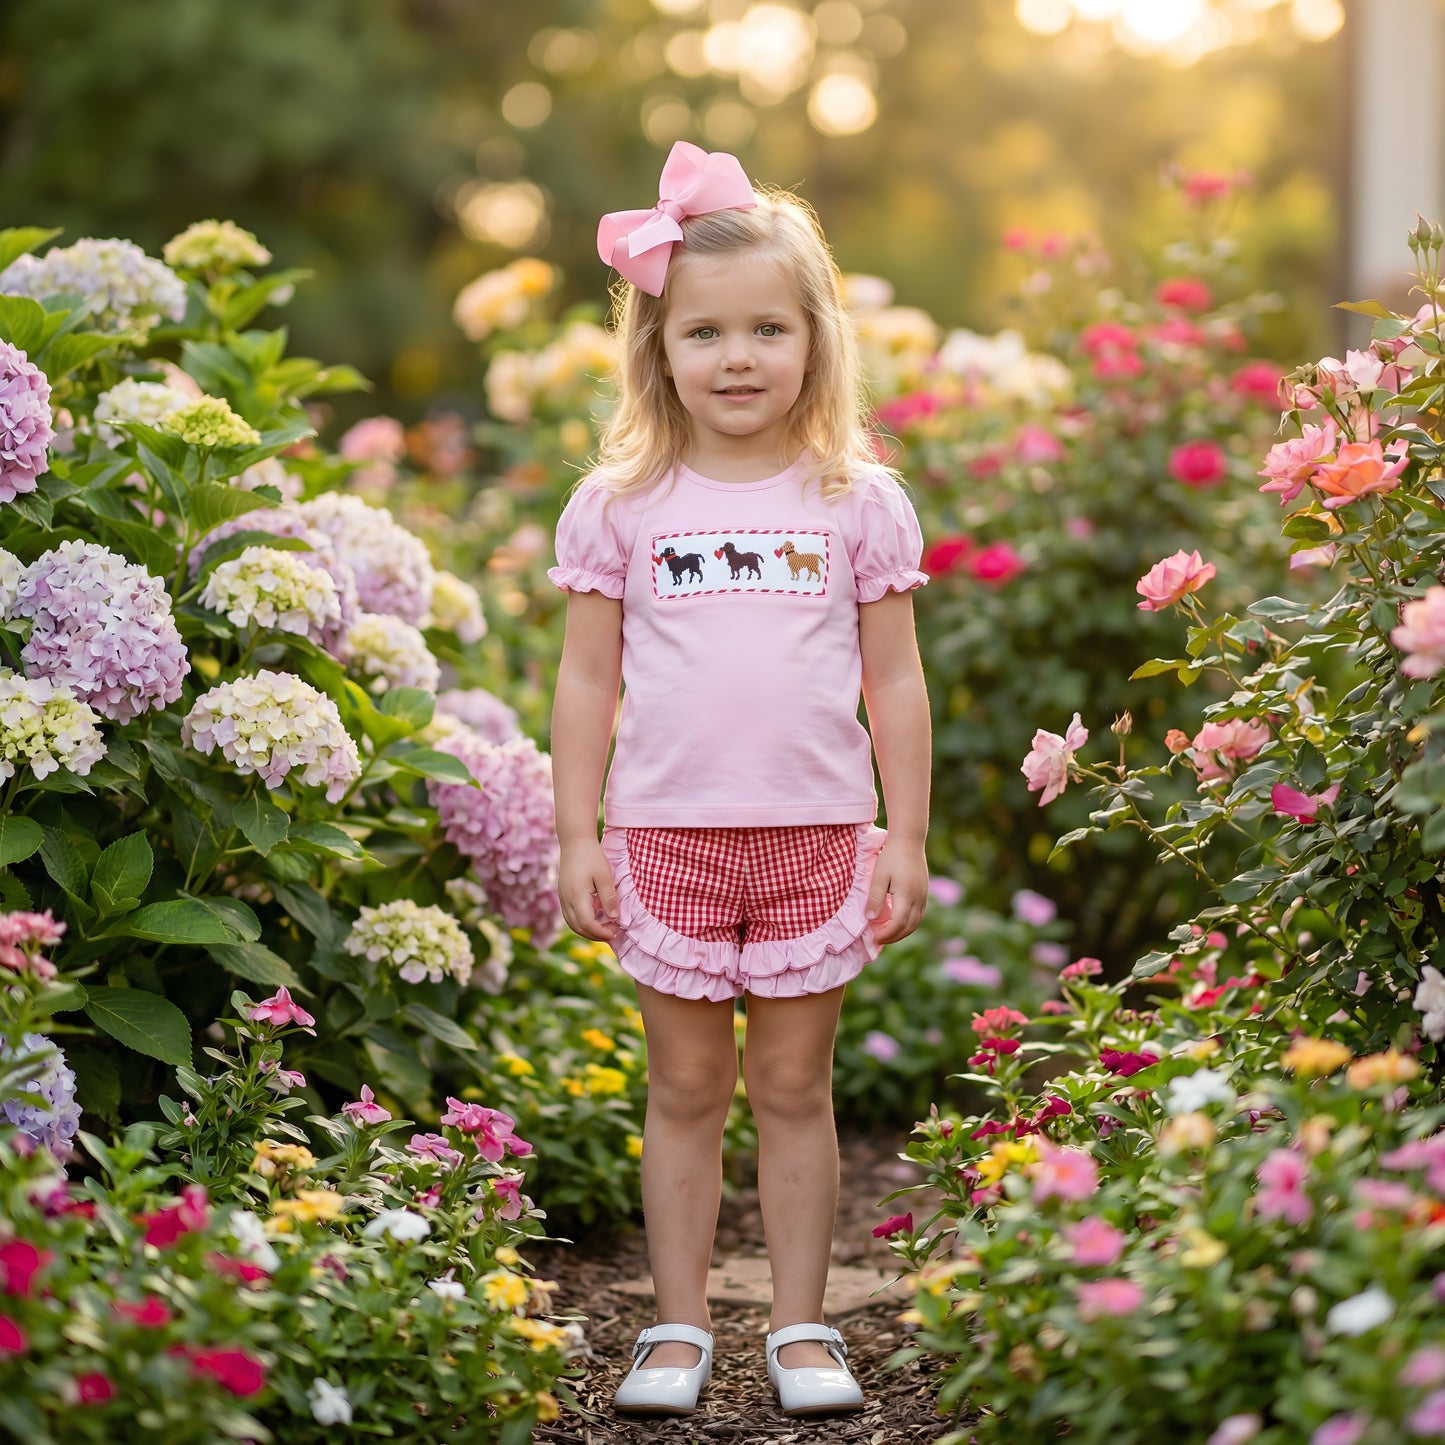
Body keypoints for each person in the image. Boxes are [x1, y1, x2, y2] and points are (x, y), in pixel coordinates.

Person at [548, 141, 932, 1419]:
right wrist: (576, 834)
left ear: (814, 341)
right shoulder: (621, 505)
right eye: (703, 331)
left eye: (767, 328)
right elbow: (585, 683)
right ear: (656, 348)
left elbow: (895, 681)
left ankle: (802, 1325)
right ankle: (674, 1325)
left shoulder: (853, 500)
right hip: (664, 838)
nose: (736, 357)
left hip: (816, 837)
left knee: (790, 1087)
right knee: (685, 1087)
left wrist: (904, 834)